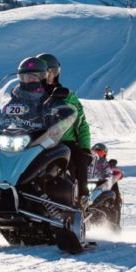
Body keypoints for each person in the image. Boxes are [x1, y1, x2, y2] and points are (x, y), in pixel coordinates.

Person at [36, 53, 91, 202]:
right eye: (43, 73)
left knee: (78, 159)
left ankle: (79, 198)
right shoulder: (29, 94)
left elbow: (81, 123)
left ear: (56, 74)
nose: (48, 76)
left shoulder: (68, 96)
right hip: (34, 139)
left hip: (62, 140)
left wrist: (85, 147)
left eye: (51, 72)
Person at [90, 142, 123, 221]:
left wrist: (111, 173)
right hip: (88, 185)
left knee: (113, 193)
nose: (97, 155)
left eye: (100, 153)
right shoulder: (88, 165)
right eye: (95, 152)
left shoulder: (107, 165)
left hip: (102, 187)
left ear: (105, 154)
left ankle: (114, 221)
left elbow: (118, 173)